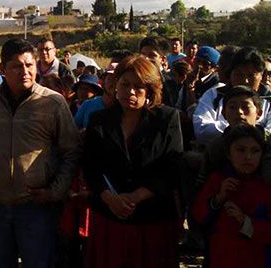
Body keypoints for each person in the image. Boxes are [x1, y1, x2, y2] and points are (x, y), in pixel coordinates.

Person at [0, 38, 81, 268]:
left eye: (29, 65)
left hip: (36, 208)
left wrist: (55, 192)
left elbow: (71, 151)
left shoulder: (53, 103)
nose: (25, 71)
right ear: (2, 69)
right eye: (16, 66)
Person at [82, 56, 183, 268]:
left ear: (150, 90)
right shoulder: (99, 120)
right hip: (109, 216)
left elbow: (172, 169)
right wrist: (111, 199)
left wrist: (136, 197)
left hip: (152, 218)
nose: (131, 92)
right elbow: (90, 167)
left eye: (139, 87)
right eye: (125, 84)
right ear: (115, 85)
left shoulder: (166, 119)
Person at [193, 124, 271, 267]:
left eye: (255, 151)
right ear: (228, 154)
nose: (248, 157)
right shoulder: (218, 180)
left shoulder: (266, 186)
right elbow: (199, 216)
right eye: (240, 150)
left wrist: (245, 222)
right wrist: (218, 199)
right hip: (220, 257)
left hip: (257, 258)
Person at [193, 46, 271, 145]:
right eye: (239, 75)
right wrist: (251, 128)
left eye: (251, 75)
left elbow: (269, 135)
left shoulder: (268, 100)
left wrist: (232, 127)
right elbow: (202, 129)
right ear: (230, 74)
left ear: (261, 75)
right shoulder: (214, 95)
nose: (245, 81)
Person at [196, 86, 269, 186]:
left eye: (245, 107)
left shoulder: (268, 143)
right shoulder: (216, 147)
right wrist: (217, 200)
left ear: (259, 113)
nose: (239, 112)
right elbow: (203, 187)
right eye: (232, 107)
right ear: (224, 113)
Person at [176, 46, 220, 113]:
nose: (200, 66)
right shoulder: (189, 78)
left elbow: (197, 113)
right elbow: (179, 105)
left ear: (214, 68)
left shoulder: (217, 86)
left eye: (205, 64)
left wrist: (191, 90)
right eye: (198, 61)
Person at [74, 63, 117, 130]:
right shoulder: (87, 105)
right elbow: (73, 130)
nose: (114, 82)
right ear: (103, 81)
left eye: (118, 78)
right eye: (110, 78)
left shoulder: (126, 109)